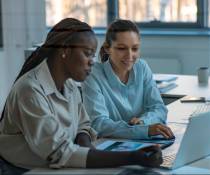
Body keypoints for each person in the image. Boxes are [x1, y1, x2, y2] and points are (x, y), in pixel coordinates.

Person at [0, 18, 163, 175]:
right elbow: (60, 152)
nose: (92, 61)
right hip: (24, 170)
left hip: (58, 166)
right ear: (65, 50)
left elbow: (83, 125)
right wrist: (132, 157)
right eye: (87, 54)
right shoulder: (30, 90)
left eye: (93, 55)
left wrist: (87, 148)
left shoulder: (69, 85)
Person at [82, 19, 174, 140]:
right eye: (121, 48)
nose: (129, 55)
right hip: (110, 146)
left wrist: (142, 122)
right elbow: (99, 124)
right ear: (107, 48)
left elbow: (159, 108)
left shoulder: (142, 67)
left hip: (142, 142)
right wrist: (142, 130)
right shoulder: (93, 74)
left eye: (135, 48)